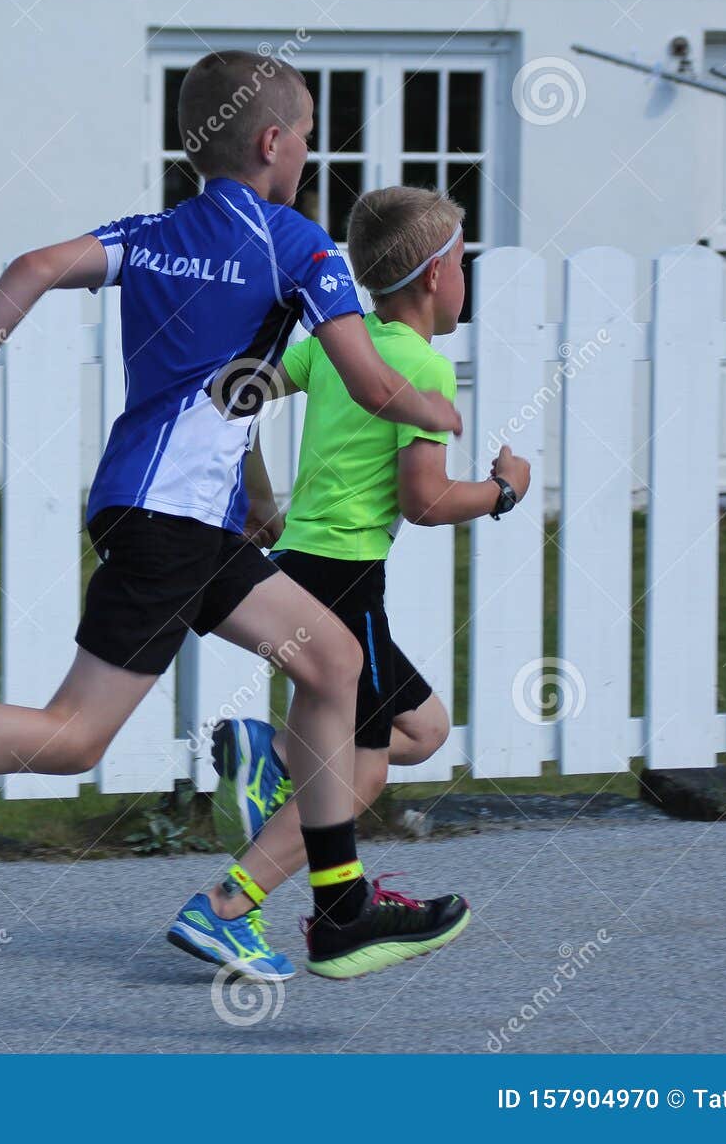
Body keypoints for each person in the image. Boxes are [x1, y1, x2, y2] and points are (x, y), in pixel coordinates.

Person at [0, 52, 464, 980]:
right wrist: (434, 408)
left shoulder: (153, 232)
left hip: (166, 517)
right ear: (272, 142)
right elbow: (369, 378)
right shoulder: (297, 244)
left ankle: (342, 906)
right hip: (173, 524)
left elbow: (32, 267)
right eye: (308, 133)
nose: (309, 151)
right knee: (75, 736)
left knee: (334, 662)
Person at [167, 185, 532, 980]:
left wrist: (257, 497)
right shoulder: (421, 363)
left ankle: (275, 765)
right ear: (436, 276)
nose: (468, 275)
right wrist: (505, 491)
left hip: (304, 568)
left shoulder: (342, 341)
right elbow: (426, 500)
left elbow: (232, 393)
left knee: (424, 729)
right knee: (362, 772)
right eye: (464, 260)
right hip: (344, 582)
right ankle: (227, 904)